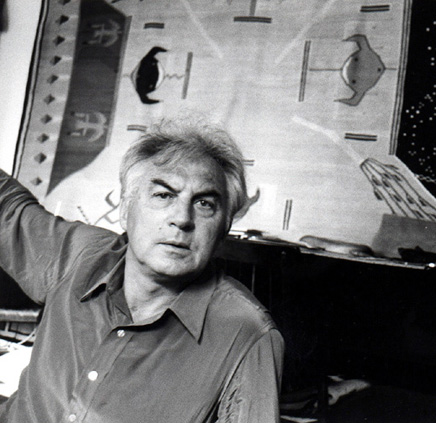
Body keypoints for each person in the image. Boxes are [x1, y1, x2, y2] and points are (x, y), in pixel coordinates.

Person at [0, 119, 284, 422]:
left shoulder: (246, 332)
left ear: (224, 227)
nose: (182, 219)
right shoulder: (81, 255)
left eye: (204, 203)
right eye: (163, 195)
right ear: (125, 209)